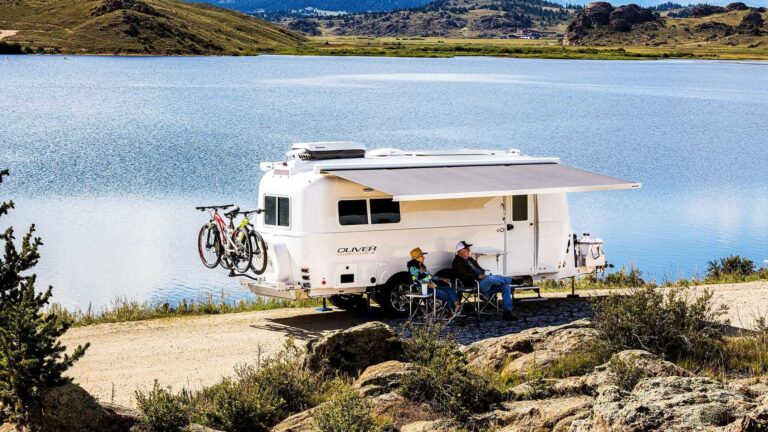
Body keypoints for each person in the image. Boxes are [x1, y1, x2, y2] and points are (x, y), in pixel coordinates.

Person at [451, 240, 515, 320]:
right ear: (460, 251)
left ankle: (507, 312)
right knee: (491, 279)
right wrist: (478, 276)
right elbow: (464, 276)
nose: (469, 251)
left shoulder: (470, 260)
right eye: (467, 249)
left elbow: (481, 269)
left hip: (485, 283)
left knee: (505, 286)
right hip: (474, 285)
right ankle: (511, 280)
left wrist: (486, 273)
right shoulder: (456, 263)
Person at [407, 247, 460, 312]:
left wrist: (442, 279)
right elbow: (415, 280)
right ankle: (451, 311)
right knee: (445, 294)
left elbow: (430, 277)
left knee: (450, 289)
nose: (424, 257)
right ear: (416, 258)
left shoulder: (422, 266)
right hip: (423, 289)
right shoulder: (413, 268)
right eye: (422, 256)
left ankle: (457, 309)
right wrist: (427, 284)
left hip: (432, 287)